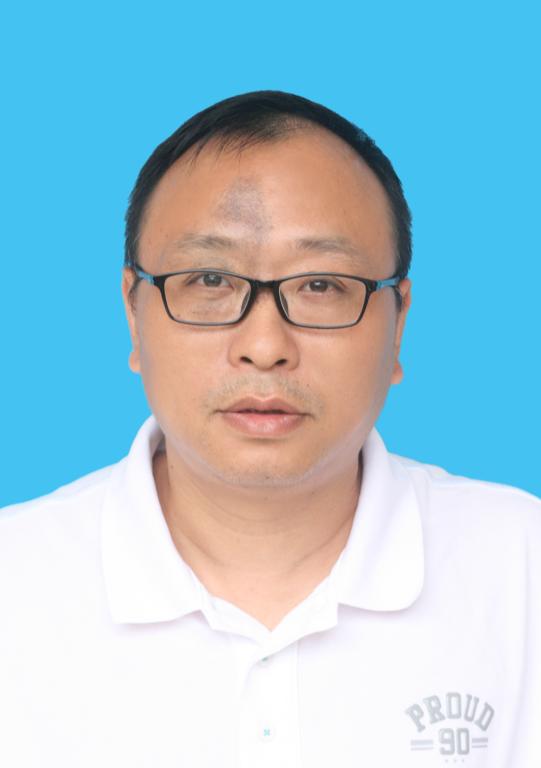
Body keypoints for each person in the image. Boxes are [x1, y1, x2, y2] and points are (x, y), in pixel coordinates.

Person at [1, 91, 539, 768]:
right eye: (209, 279)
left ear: (398, 322)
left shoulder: (523, 571)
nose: (263, 346)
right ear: (133, 314)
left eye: (321, 285)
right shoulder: (14, 584)